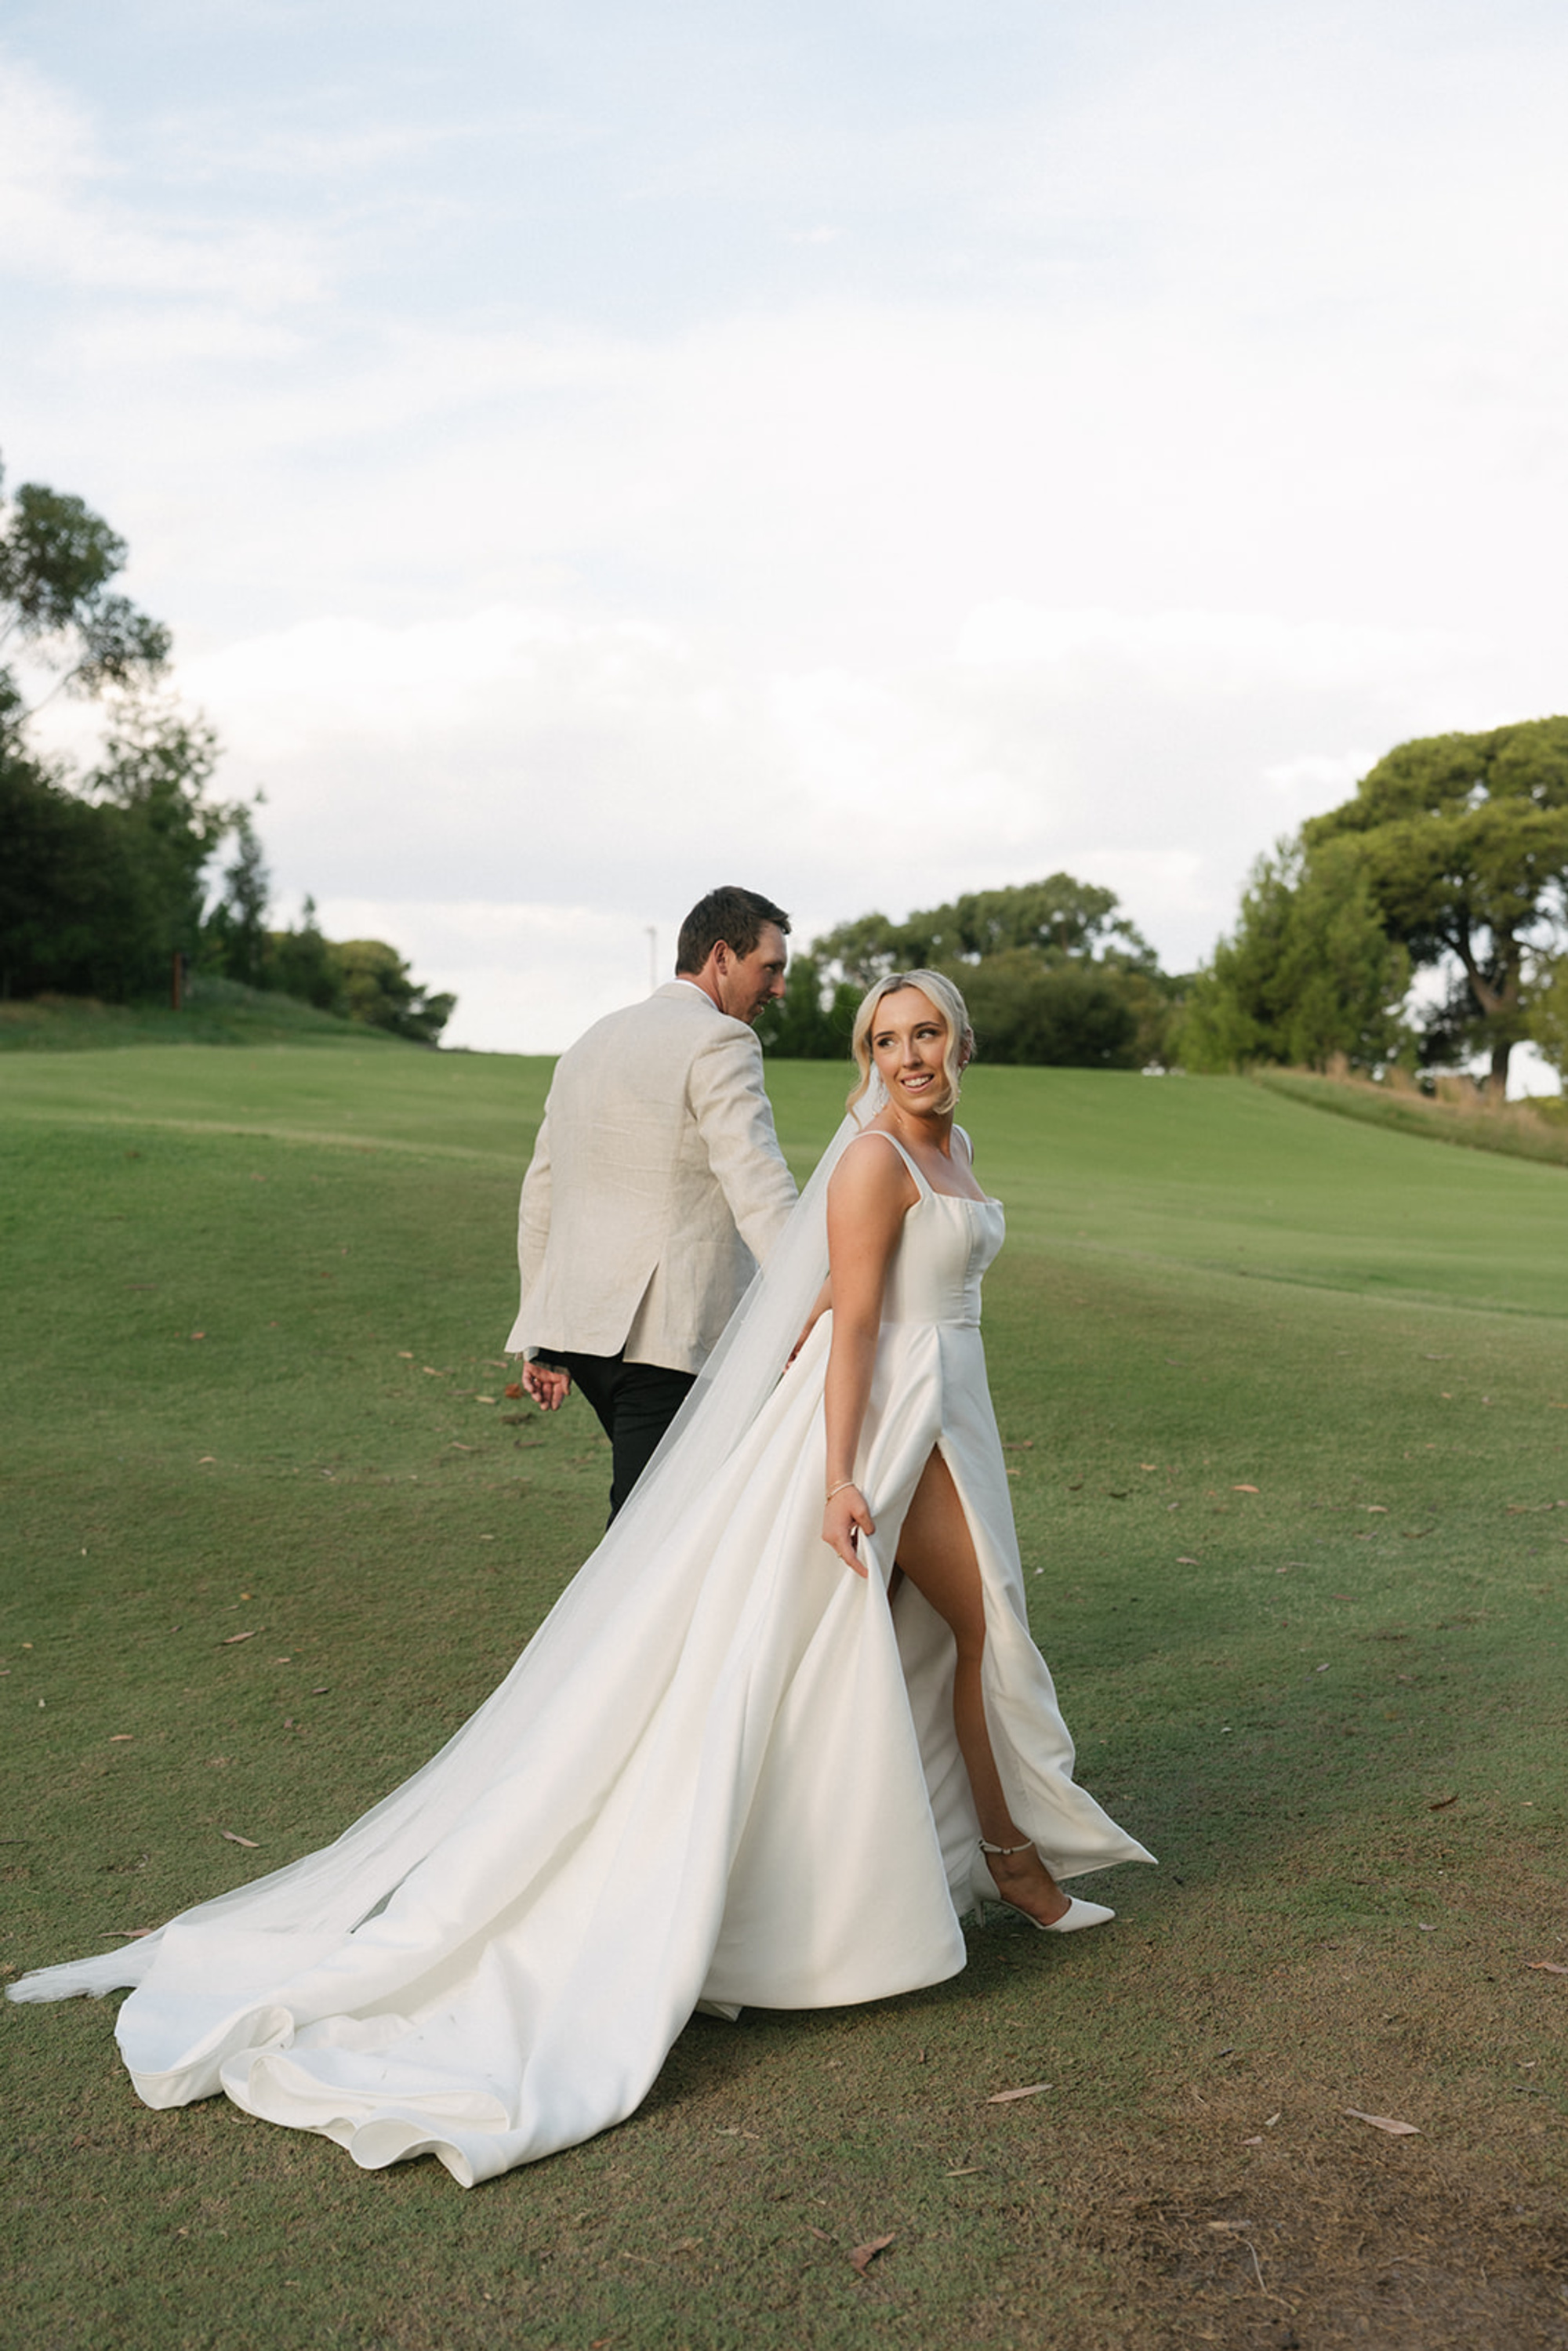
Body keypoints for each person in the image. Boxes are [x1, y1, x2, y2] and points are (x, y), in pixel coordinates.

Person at [9, 970, 1153, 2188]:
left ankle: (889, 1869)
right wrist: (835, 1472)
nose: (912, 1054)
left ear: (959, 1039)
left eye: (927, 1033)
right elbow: (853, 1321)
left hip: (954, 1406)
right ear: (867, 1053)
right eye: (888, 1038)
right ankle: (1015, 1862)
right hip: (891, 1419)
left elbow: (842, 1289)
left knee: (878, 1654)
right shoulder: (876, 1160)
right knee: (985, 1630)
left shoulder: (956, 1138)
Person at [510, 884, 799, 1517]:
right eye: (770, 968)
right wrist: (814, 1297)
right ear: (722, 956)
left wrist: (545, 1338)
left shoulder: (590, 1041)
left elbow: (542, 1194)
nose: (778, 989)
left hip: (586, 1336)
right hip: (667, 1336)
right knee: (651, 1528)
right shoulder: (722, 1040)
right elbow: (758, 1182)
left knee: (679, 1511)